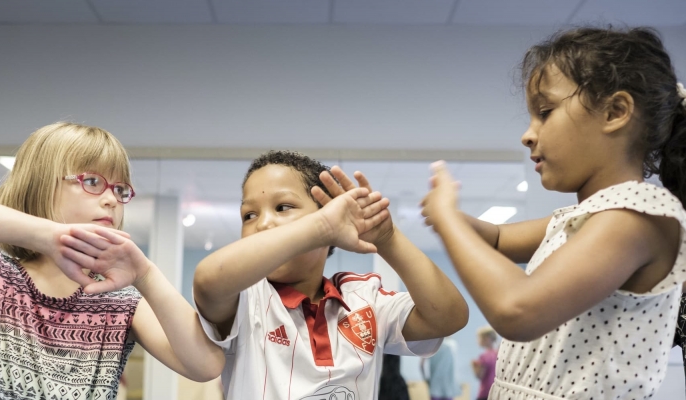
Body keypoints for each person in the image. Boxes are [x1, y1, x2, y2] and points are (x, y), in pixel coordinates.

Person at [421, 26, 686, 399]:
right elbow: (496, 239)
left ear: (615, 111)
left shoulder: (639, 216)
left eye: (545, 113)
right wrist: (431, 216)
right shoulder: (578, 218)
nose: (528, 135)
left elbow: (516, 310)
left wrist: (448, 218)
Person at [0, 122, 224, 399]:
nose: (112, 198)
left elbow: (206, 365)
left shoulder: (121, 302)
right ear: (41, 185)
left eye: (120, 189)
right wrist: (49, 235)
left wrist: (146, 273)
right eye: (93, 182)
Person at [192, 150, 468, 399]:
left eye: (283, 207)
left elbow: (448, 316)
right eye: (249, 215)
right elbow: (208, 281)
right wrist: (320, 227)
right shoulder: (244, 299)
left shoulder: (362, 298)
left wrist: (388, 238)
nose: (263, 223)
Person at [471, 326, 497, 400]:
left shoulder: (484, 356)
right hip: (496, 392)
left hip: (485, 393)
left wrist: (473, 366)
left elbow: (479, 375)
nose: (478, 341)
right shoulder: (499, 353)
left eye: (479, 338)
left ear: (487, 339)